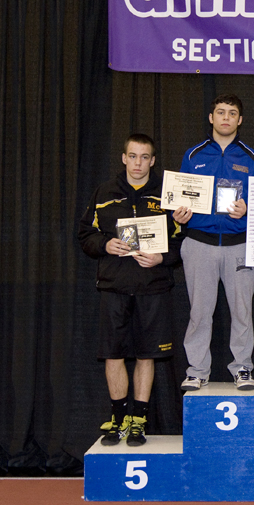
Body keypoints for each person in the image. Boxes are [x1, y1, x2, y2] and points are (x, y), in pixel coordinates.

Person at [78, 134, 182, 446]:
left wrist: (162, 258)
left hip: (153, 287)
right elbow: (85, 234)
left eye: (144, 157)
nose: (138, 163)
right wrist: (104, 244)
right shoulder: (104, 192)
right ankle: (118, 419)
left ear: (153, 160)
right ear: (124, 158)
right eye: (133, 156)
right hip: (115, 286)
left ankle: (139, 420)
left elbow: (182, 241)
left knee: (146, 355)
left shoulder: (167, 194)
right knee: (113, 354)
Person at [174, 94, 254, 391]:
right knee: (199, 312)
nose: (226, 117)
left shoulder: (253, 158)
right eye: (220, 112)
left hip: (240, 245)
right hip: (199, 243)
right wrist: (179, 214)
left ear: (240, 120)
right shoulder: (193, 155)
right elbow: (180, 198)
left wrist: (249, 208)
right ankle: (197, 370)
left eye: (232, 113)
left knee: (242, 311)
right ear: (211, 117)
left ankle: (242, 368)